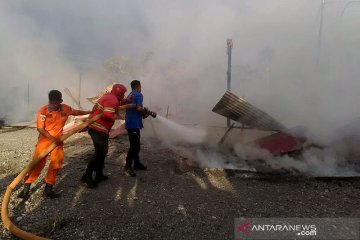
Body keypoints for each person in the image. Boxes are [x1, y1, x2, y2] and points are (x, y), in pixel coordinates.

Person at [18, 90, 91, 199]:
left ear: (61, 101)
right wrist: (53, 139)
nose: (53, 105)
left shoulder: (65, 108)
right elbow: (40, 129)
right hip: (44, 141)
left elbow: (77, 112)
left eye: (56, 103)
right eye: (52, 103)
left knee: (56, 164)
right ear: (49, 101)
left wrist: (90, 111)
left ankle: (48, 190)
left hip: (58, 142)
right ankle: (26, 190)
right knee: (37, 164)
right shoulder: (43, 111)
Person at [81, 83, 135, 188]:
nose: (124, 95)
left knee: (102, 152)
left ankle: (99, 175)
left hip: (98, 128)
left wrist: (126, 101)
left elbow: (118, 103)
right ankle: (87, 176)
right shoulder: (112, 100)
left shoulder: (110, 96)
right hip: (98, 129)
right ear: (119, 93)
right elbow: (108, 115)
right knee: (99, 153)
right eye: (123, 94)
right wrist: (118, 116)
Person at [124, 80, 156, 177]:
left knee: (136, 145)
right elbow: (138, 109)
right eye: (141, 87)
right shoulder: (138, 95)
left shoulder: (130, 94)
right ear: (139, 86)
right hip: (133, 124)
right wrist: (149, 113)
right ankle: (127, 167)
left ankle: (137, 163)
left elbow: (136, 109)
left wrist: (145, 112)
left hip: (131, 123)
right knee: (134, 146)